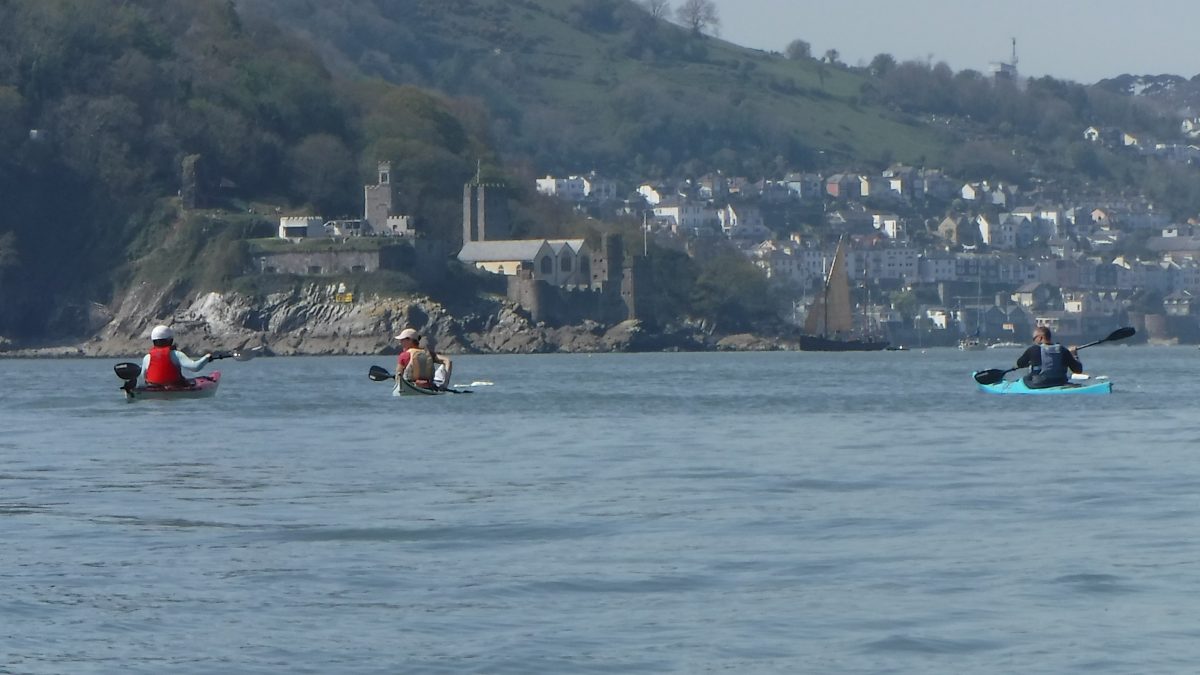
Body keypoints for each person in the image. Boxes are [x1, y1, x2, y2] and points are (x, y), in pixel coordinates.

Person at [140, 324, 212, 387]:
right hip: (175, 387)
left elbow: (143, 376)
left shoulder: (147, 357)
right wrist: (206, 358)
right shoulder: (176, 354)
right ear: (171, 340)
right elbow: (195, 367)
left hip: (153, 387)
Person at [1017, 326, 1083, 388]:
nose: (1033, 341)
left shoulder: (1033, 349)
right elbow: (1078, 370)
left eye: (1034, 338)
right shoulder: (1062, 350)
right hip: (1060, 382)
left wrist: (1029, 362)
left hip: (1039, 383)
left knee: (1025, 379)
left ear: (1040, 338)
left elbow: (1019, 363)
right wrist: (1074, 355)